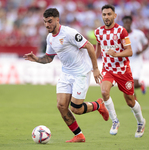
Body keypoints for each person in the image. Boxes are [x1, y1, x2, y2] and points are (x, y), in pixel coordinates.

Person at [24, 8, 109, 143]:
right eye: (45, 22)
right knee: (61, 106)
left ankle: (98, 105)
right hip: (66, 73)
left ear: (57, 20)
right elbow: (49, 58)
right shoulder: (50, 38)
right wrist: (36, 59)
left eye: (50, 21)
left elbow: (90, 47)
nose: (47, 25)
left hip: (80, 73)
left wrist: (96, 69)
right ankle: (79, 135)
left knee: (76, 109)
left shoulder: (69, 33)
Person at [94, 4, 146, 138]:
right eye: (104, 14)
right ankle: (115, 121)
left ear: (114, 16)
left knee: (130, 101)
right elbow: (99, 47)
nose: (106, 17)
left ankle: (141, 122)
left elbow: (130, 51)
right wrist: (94, 64)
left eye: (109, 14)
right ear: (102, 15)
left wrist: (115, 54)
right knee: (104, 92)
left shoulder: (121, 31)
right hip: (108, 70)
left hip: (123, 70)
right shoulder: (98, 32)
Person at [122, 16, 149, 100]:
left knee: (135, 84)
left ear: (131, 23)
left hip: (137, 61)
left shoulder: (138, 34)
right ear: (123, 23)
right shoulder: (121, 36)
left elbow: (146, 43)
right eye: (125, 22)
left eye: (128, 22)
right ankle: (134, 102)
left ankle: (141, 85)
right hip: (126, 62)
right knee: (127, 85)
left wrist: (141, 51)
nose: (127, 24)